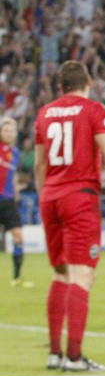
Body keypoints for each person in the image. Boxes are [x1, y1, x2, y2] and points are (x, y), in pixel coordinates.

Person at [34, 60, 105, 372]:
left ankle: (55, 353)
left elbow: (40, 165)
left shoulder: (44, 113)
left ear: (59, 87)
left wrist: (47, 195)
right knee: (83, 276)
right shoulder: (95, 111)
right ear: (89, 82)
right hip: (79, 198)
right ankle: (75, 357)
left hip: (50, 196)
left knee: (60, 274)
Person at [0, 116, 32, 287]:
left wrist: (16, 190)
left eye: (12, 130)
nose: (9, 133)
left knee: (18, 237)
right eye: (6, 130)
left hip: (8, 202)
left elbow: (11, 177)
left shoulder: (16, 153)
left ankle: (16, 278)